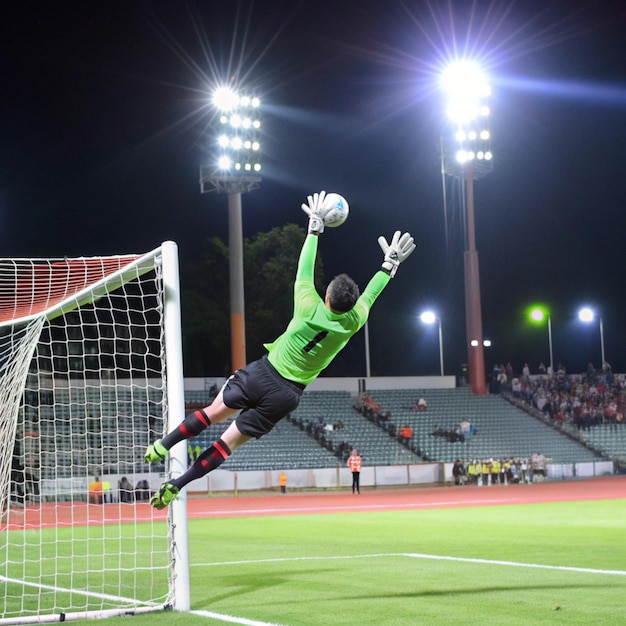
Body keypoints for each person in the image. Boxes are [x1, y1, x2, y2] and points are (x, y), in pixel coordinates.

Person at [145, 191, 415, 509]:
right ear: (349, 305)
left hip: (263, 373)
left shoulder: (307, 305)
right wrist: (389, 266)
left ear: (326, 295)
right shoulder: (355, 320)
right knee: (226, 444)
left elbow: (305, 266)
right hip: (286, 396)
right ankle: (177, 485)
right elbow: (370, 295)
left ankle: (163, 446)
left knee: (211, 414)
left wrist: (315, 227)